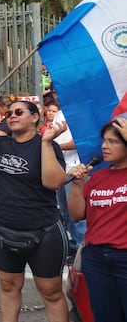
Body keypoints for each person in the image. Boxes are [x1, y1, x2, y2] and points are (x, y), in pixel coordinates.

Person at [0, 95, 69, 322]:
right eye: (8, 113)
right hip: (4, 229)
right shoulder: (1, 144)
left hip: (44, 232)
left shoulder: (48, 145)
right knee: (9, 286)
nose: (11, 116)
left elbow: (54, 182)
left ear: (34, 117)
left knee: (50, 292)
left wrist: (47, 143)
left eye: (19, 112)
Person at [67, 117, 127, 322]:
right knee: (104, 315)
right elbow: (76, 215)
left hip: (124, 256)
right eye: (104, 141)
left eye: (113, 141)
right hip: (96, 258)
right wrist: (77, 185)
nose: (104, 146)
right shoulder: (98, 177)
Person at [53, 109, 86, 253]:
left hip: (75, 169)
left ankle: (82, 246)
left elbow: (80, 141)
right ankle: (75, 242)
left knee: (76, 215)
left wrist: (54, 147)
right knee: (65, 212)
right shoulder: (58, 114)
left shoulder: (80, 112)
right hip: (60, 169)